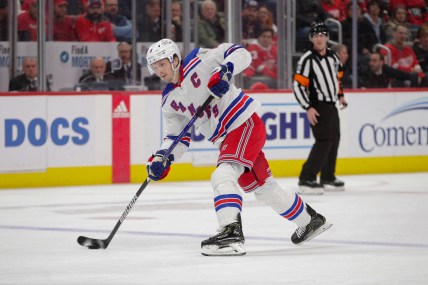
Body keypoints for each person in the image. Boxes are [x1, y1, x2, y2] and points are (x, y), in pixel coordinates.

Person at [145, 38, 332, 256]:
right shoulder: (169, 99)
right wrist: (162, 158)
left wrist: (226, 70)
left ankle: (230, 232)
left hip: (243, 124)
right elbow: (176, 137)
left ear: (175, 59)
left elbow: (239, 52)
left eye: (162, 63)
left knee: (223, 175)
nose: (159, 70)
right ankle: (311, 221)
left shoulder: (199, 59)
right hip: (228, 139)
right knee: (265, 190)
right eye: (155, 66)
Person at [293, 22, 348, 195]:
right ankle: (306, 178)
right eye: (315, 35)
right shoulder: (307, 59)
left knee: (334, 139)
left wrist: (340, 95)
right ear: (311, 38)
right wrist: (308, 107)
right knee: (324, 141)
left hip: (331, 105)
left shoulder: (333, 57)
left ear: (327, 38)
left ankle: (327, 176)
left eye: (322, 34)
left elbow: (337, 78)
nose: (319, 38)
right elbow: (298, 86)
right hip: (317, 106)